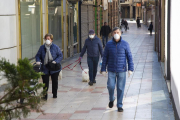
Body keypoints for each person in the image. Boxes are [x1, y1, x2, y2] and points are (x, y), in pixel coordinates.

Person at [100, 27, 134, 112]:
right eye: (114, 32)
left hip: (121, 70)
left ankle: (119, 105)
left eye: (117, 32)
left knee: (120, 88)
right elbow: (105, 58)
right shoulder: (108, 44)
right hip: (111, 69)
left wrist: (130, 69)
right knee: (110, 86)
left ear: (120, 33)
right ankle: (111, 99)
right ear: (112, 34)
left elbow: (129, 57)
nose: (116, 34)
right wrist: (103, 69)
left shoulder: (125, 44)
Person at [35, 33, 63, 100]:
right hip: (45, 67)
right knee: (45, 82)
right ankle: (45, 95)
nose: (47, 40)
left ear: (51, 40)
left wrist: (55, 61)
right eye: (46, 39)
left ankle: (54, 94)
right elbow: (37, 55)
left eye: (49, 39)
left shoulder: (55, 47)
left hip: (54, 67)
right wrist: (38, 61)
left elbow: (60, 55)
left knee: (55, 81)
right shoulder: (42, 48)